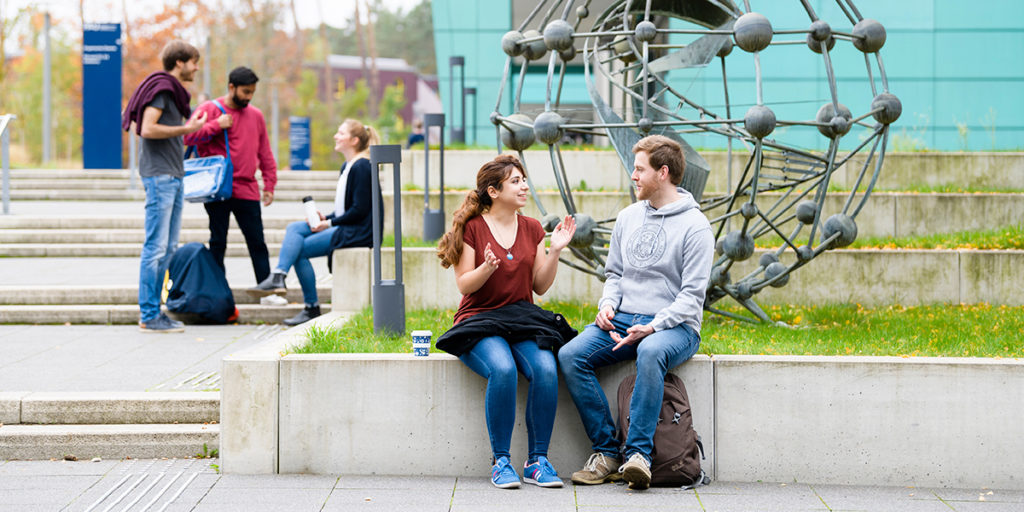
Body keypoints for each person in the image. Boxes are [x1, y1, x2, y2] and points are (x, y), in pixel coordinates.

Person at [558, 135, 714, 490]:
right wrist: (608, 305)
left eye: (639, 169)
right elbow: (614, 274)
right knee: (570, 355)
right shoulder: (628, 217)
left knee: (651, 350)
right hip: (624, 319)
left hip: (674, 327)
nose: (633, 175)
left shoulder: (695, 227)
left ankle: (638, 455)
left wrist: (654, 326)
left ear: (663, 172)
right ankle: (607, 452)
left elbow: (692, 298)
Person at [434, 155, 577, 490]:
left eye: (524, 179)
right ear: (494, 191)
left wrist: (554, 250)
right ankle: (501, 462)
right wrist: (486, 268)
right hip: (479, 320)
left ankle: (537, 461)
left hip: (521, 319)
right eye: (515, 181)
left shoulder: (531, 228)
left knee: (545, 367)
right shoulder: (473, 227)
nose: (524, 186)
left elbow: (539, 285)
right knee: (503, 369)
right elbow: (464, 284)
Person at [250, 119, 382, 326]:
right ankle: (278, 275)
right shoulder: (346, 166)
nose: (335, 136)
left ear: (354, 140)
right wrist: (326, 218)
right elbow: (346, 209)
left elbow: (360, 210)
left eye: (341, 133)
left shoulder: (363, 167)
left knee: (299, 250)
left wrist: (328, 224)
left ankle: (311, 307)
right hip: (344, 224)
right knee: (294, 228)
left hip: (358, 231)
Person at [122, 40, 207, 333]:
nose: (197, 67)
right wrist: (187, 128)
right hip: (160, 177)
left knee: (168, 247)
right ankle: (148, 315)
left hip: (173, 174)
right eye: (194, 62)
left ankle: (155, 313)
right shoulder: (162, 89)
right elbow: (147, 129)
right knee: (156, 248)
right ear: (180, 62)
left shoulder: (173, 93)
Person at [184, 66, 278, 285]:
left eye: (252, 92)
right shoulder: (209, 108)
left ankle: (265, 288)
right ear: (231, 87)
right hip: (218, 189)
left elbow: (265, 151)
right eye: (245, 92)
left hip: (247, 188)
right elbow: (188, 136)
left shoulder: (256, 115)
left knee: (257, 242)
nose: (249, 97)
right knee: (218, 242)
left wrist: (270, 184)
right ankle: (218, 291)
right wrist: (215, 125)